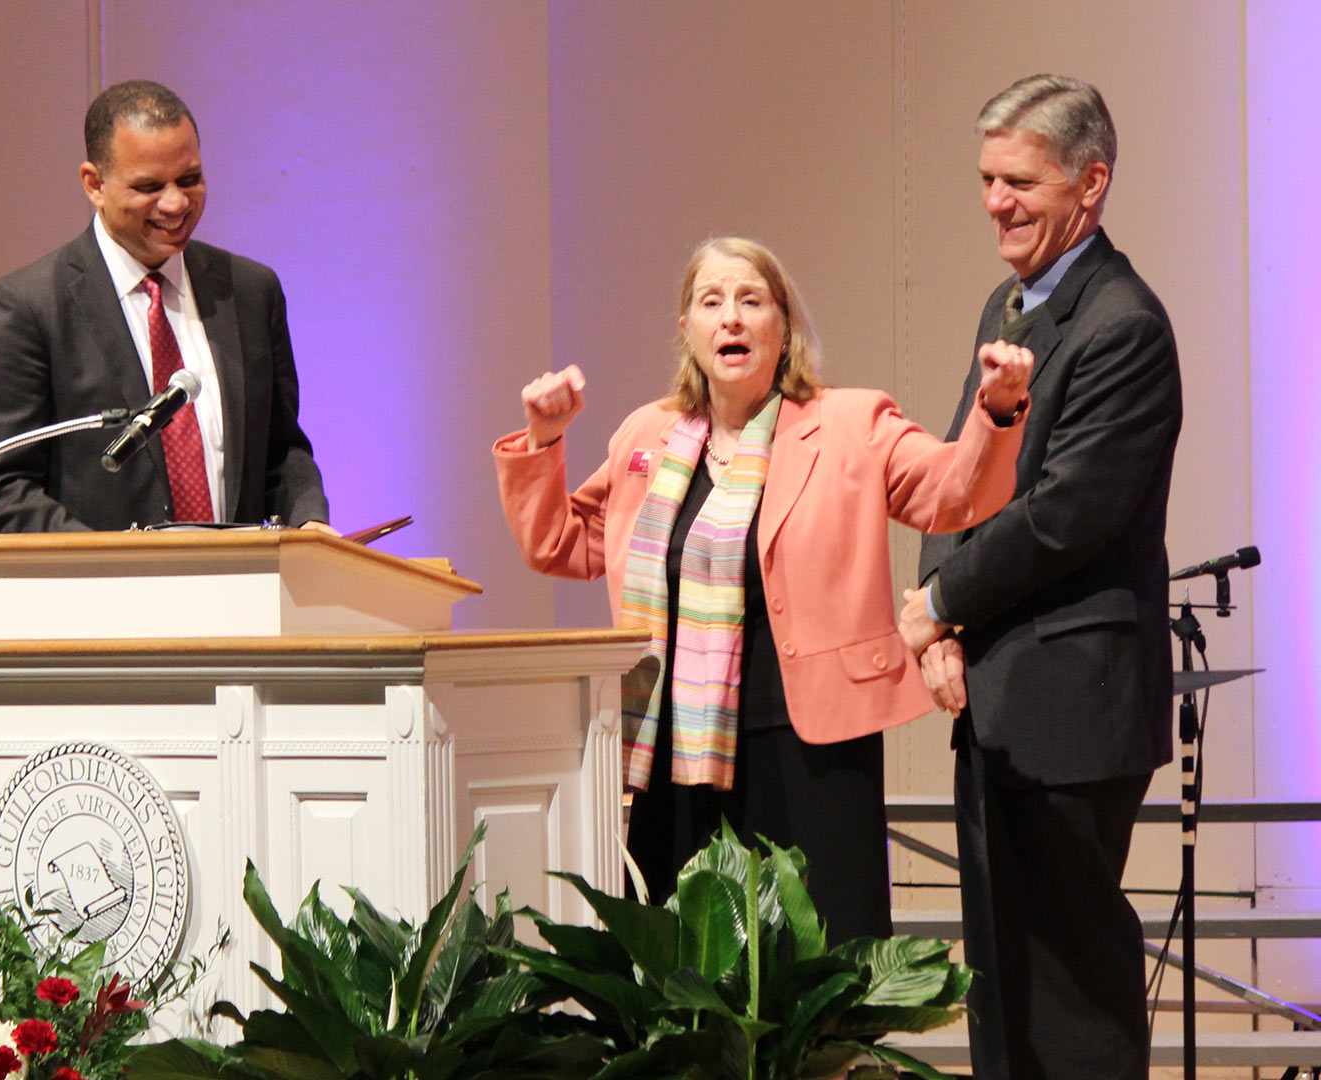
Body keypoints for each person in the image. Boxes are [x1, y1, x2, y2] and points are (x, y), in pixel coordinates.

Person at [495, 237, 1031, 942]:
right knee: (691, 962)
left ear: (785, 328)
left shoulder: (850, 424)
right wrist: (542, 443)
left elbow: (954, 494)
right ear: (686, 329)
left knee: (818, 956)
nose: (732, 319)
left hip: (809, 742)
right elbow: (559, 543)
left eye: (752, 301)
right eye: (711, 302)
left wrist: (996, 412)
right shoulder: (648, 438)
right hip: (674, 746)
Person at [902, 74, 1182, 1080]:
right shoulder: (1010, 302)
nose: (996, 203)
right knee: (1004, 977)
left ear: (1091, 183)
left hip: (1072, 704)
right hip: (1001, 692)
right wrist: (940, 624)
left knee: (1070, 979)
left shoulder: (1123, 326)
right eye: (986, 179)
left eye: (1019, 181)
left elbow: (1062, 516)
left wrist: (938, 603)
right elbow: (963, 464)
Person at [0, 80, 331, 534]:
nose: (176, 203)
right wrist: (111, 566)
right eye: (149, 186)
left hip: (239, 592)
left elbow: (281, 450)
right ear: (94, 184)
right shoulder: (33, 305)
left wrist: (308, 520)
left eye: (190, 179)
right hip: (100, 597)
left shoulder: (250, 291)